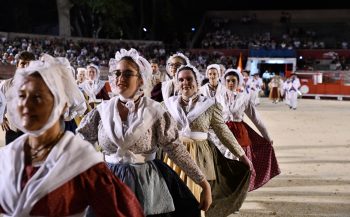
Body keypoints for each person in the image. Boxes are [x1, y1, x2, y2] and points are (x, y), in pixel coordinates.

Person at [0, 54, 144, 217]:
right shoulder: (8, 155)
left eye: (37, 97)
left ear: (61, 105)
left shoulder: (82, 163)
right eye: (22, 95)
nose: (25, 104)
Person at [77, 48, 212, 217]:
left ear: (141, 79)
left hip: (146, 187)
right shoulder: (101, 111)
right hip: (109, 184)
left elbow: (176, 149)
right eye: (117, 73)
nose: (120, 78)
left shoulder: (155, 112)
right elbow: (79, 146)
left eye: (127, 74)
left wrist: (203, 183)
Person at [163, 64, 252, 216]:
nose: (185, 83)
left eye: (189, 79)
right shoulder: (167, 105)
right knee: (174, 195)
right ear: (177, 83)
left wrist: (241, 155)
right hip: (175, 155)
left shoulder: (209, 105)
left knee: (199, 196)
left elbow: (223, 132)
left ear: (197, 82)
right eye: (181, 80)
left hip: (201, 155)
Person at [216, 69, 280, 191]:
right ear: (224, 82)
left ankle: (237, 193)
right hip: (222, 134)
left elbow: (257, 119)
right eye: (228, 80)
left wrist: (267, 137)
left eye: (233, 81)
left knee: (238, 164)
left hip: (240, 134)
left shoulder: (244, 98)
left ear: (238, 82)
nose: (230, 83)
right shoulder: (218, 98)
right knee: (224, 165)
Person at [0, 51, 35, 145]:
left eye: (29, 64)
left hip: (31, 133)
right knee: (11, 159)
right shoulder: (6, 85)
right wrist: (1, 118)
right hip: (12, 131)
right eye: (23, 63)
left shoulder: (39, 87)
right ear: (17, 65)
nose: (25, 67)